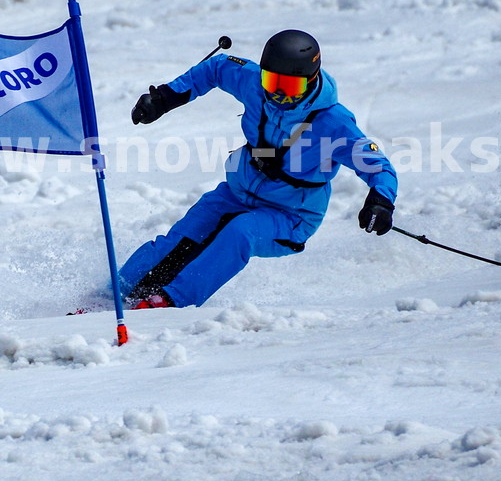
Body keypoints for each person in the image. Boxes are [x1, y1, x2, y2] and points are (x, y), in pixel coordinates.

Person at [119, 29, 397, 309]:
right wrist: (165, 97)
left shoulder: (333, 123)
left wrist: (381, 201)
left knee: (242, 231)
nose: (278, 94)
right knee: (184, 236)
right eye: (272, 81)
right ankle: (117, 294)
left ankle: (169, 301)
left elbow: (379, 167)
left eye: (290, 88)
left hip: (290, 215)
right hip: (237, 193)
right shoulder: (254, 84)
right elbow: (216, 67)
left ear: (311, 80)